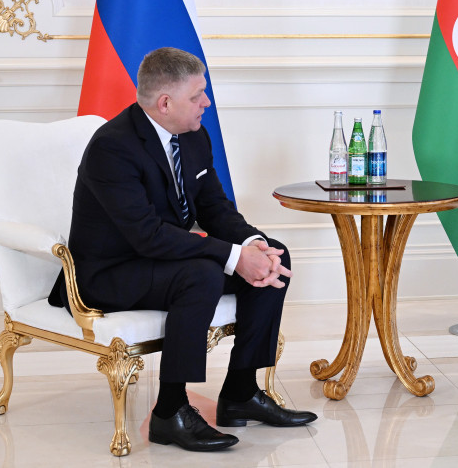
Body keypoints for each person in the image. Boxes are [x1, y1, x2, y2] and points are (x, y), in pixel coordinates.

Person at [48, 47, 316, 452]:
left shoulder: (193, 135)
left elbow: (213, 208)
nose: (206, 102)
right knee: (202, 274)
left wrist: (252, 244)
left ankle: (241, 392)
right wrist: (232, 257)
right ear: (165, 103)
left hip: (162, 259)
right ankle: (169, 412)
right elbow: (147, 235)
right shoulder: (112, 148)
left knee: (276, 254)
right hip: (110, 273)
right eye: (197, 95)